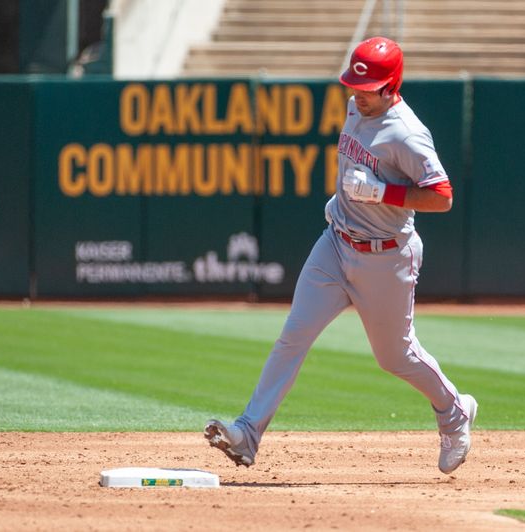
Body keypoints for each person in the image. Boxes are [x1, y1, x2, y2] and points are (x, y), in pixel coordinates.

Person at [204, 36, 477, 475]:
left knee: (395, 357)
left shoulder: (406, 133)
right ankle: (248, 433)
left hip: (385, 258)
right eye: (353, 86)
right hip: (335, 243)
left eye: (367, 89)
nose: (357, 95)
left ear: (391, 87)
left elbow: (442, 196)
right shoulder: (356, 108)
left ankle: (454, 412)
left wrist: (383, 192)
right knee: (293, 336)